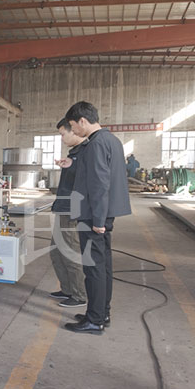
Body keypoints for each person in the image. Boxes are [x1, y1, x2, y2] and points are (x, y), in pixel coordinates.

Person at [63, 101, 131, 334]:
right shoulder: (110, 140)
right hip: (103, 213)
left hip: (93, 215)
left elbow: (100, 184)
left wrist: (98, 221)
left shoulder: (95, 144)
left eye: (73, 126)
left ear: (82, 121)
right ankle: (102, 312)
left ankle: (94, 320)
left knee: (93, 268)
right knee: (103, 266)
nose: (73, 131)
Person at [49, 118, 88, 308]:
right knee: (56, 252)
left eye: (63, 134)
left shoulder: (86, 153)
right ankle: (67, 289)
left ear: (74, 130)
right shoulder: (74, 154)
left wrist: (72, 165)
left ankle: (79, 295)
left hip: (72, 210)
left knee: (71, 253)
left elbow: (88, 180)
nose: (62, 139)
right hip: (63, 207)